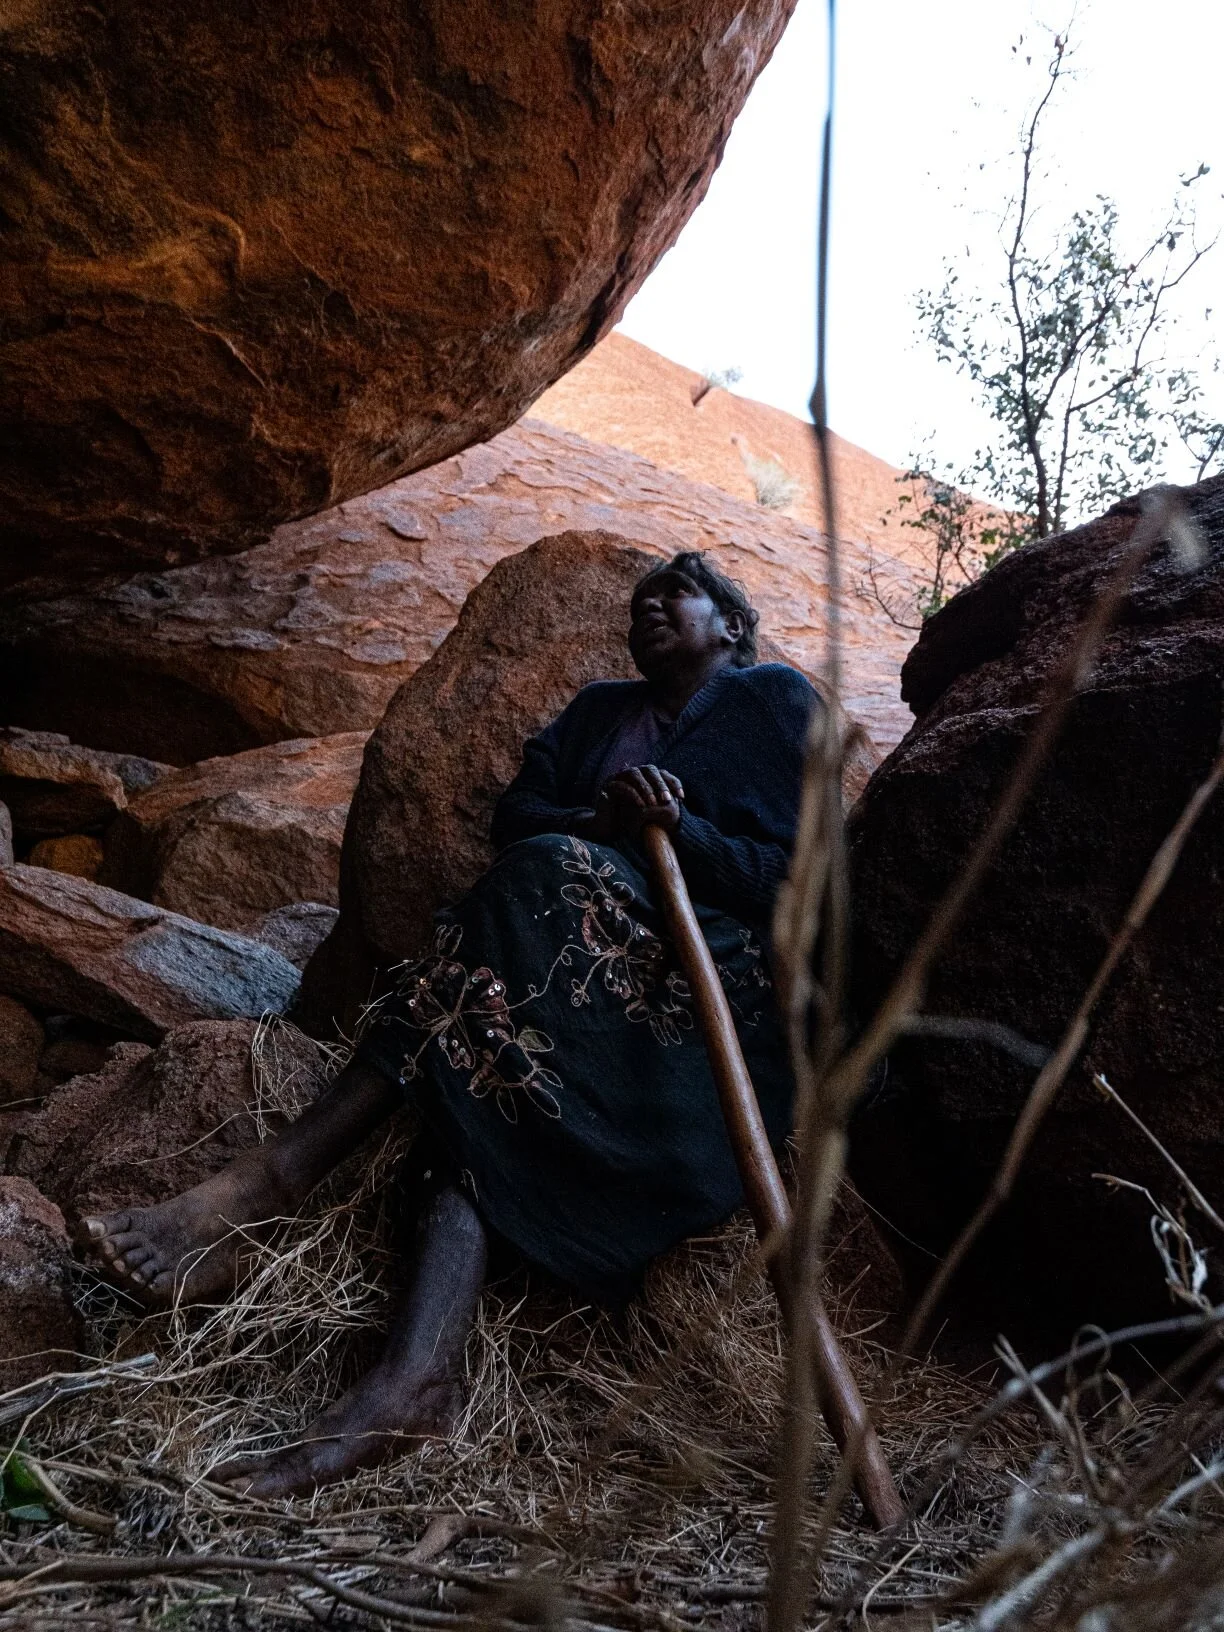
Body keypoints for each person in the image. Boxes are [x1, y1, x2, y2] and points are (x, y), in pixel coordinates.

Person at [84, 551, 820, 1497]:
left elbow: (792, 879)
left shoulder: (772, 701)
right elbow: (517, 818)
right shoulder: (601, 711)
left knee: (539, 883)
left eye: (674, 594)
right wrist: (605, 813)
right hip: (557, 975)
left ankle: (275, 1178)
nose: (648, 607)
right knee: (474, 1084)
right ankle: (413, 1382)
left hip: (692, 1006)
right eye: (637, 601)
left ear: (731, 625)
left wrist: (684, 832)